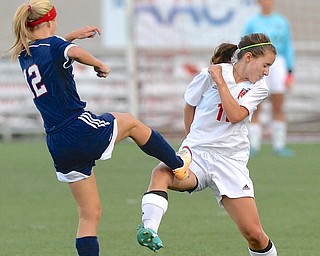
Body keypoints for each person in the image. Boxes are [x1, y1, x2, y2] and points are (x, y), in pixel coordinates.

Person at [10, 1, 191, 255]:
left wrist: (72, 36)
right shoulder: (56, 47)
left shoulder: (24, 53)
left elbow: (53, 47)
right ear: (50, 22)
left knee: (89, 213)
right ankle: (178, 165)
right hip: (78, 128)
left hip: (57, 143)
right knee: (131, 123)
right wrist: (98, 64)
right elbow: (72, 53)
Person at [136, 33, 278, 256]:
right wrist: (190, 143)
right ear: (249, 57)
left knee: (255, 235)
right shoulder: (206, 75)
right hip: (198, 155)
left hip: (230, 162)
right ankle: (149, 230)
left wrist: (220, 81)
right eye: (266, 65)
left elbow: (234, 115)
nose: (267, 71)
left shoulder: (258, 87)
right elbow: (189, 106)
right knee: (161, 172)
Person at [243, 0, 295, 157]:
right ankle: (254, 146)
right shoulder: (252, 22)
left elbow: (288, 46)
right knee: (255, 106)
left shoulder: (282, 21)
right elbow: (244, 47)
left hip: (279, 65)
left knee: (278, 106)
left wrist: (290, 72)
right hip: (258, 65)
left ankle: (279, 146)